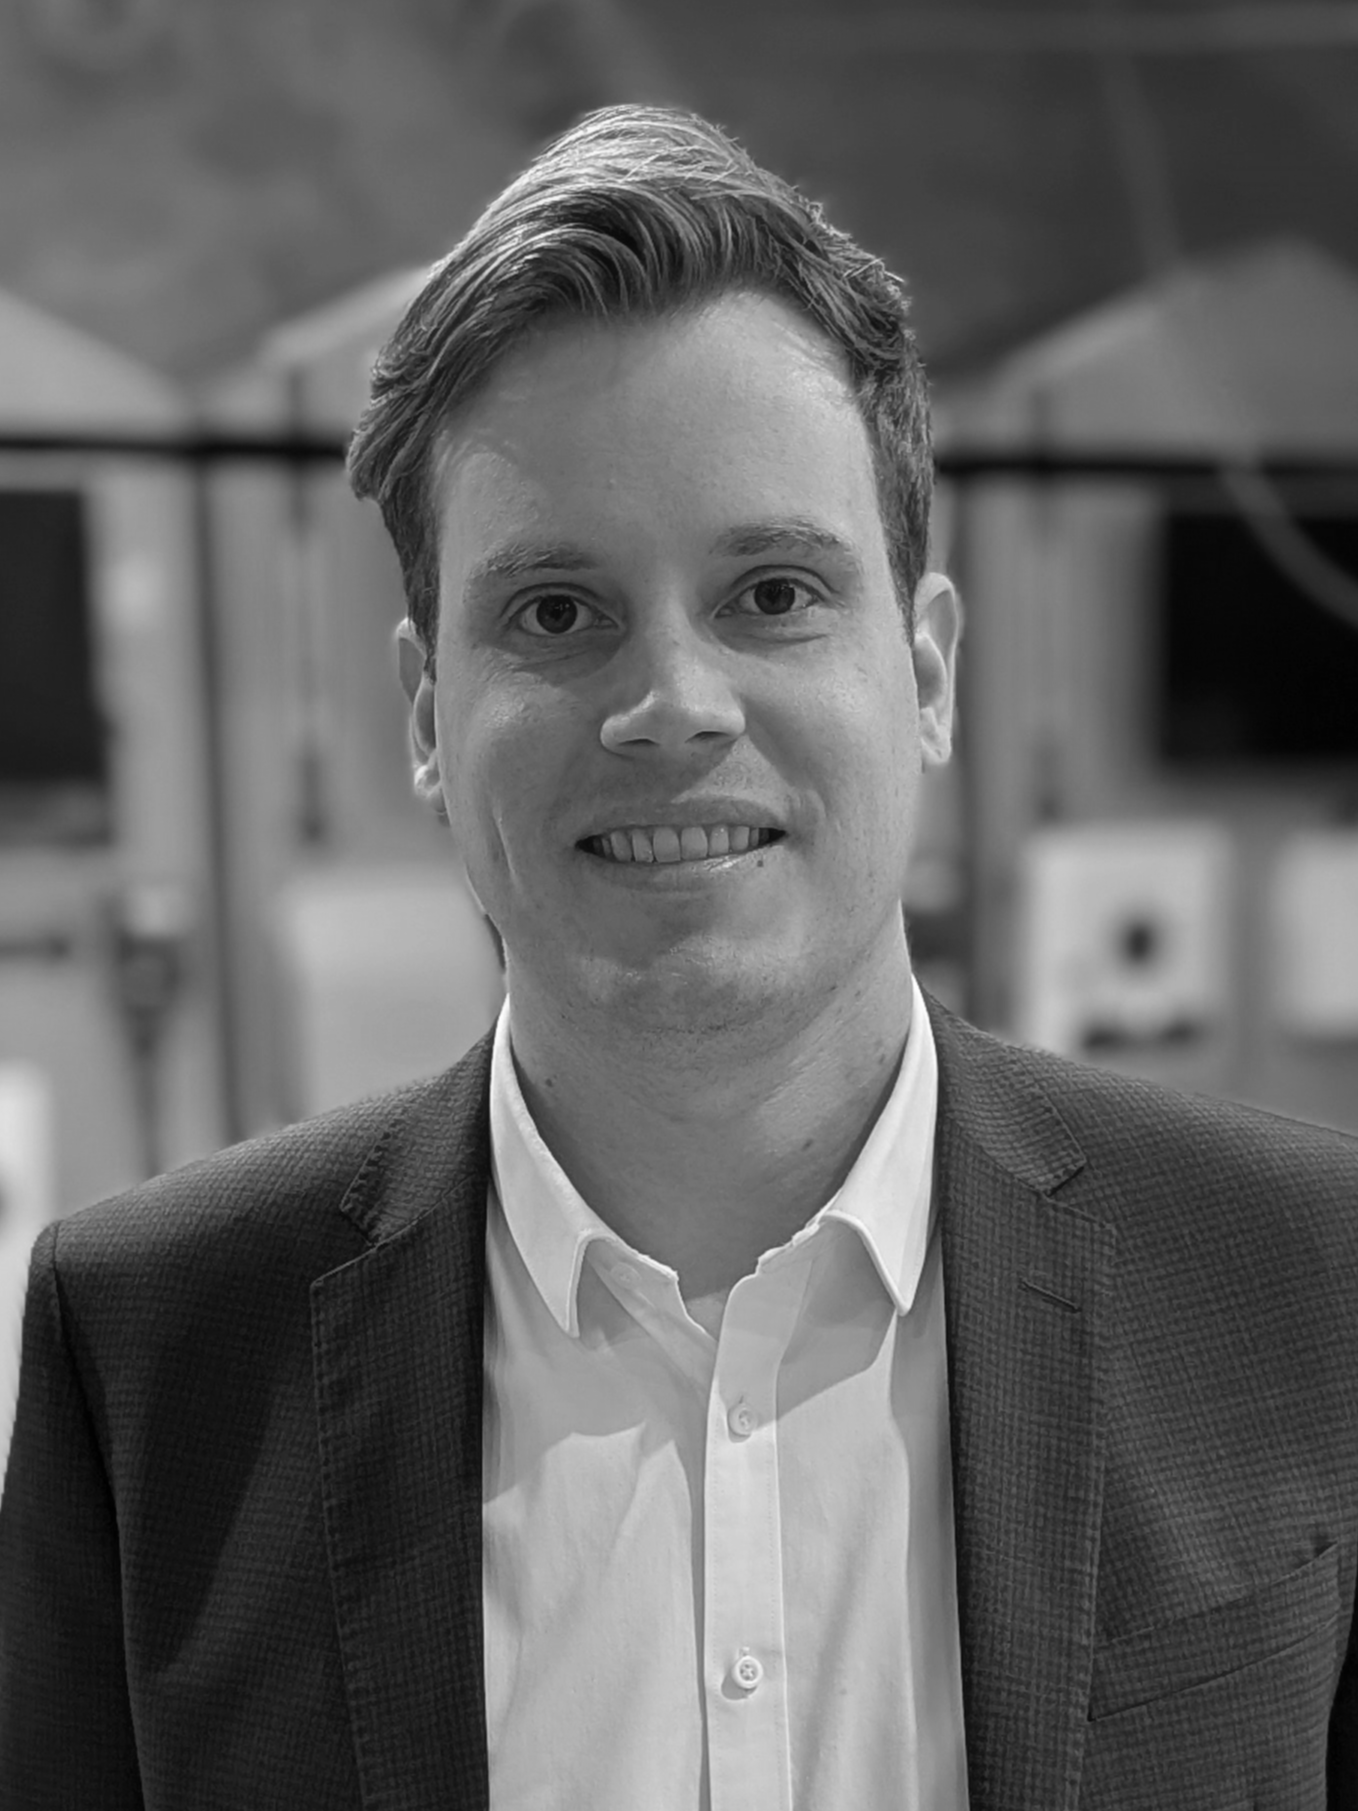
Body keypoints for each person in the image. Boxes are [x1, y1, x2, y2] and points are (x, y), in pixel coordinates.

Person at [1, 104, 1356, 1811]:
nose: (671, 706)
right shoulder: (153, 1360)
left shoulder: (1306, 1289)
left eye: (774, 592)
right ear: (427, 712)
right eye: (556, 612)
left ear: (925, 670)